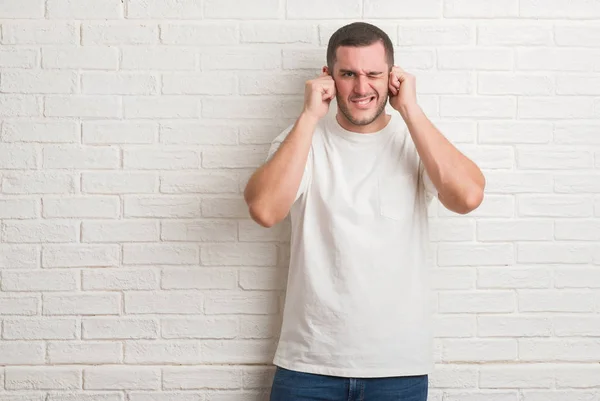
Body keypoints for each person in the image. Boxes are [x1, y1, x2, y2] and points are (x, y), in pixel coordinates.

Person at [243, 22, 485, 401]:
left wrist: (412, 110)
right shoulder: (303, 139)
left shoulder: (414, 140)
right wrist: (308, 117)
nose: (361, 87)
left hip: (397, 367)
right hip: (309, 365)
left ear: (393, 77)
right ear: (327, 78)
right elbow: (264, 210)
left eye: (374, 74)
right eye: (348, 74)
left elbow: (467, 197)